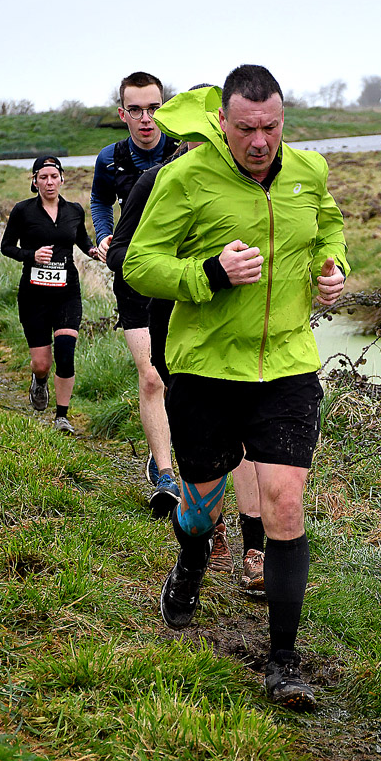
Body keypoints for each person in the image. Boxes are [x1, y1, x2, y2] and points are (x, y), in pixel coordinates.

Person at [124, 66, 349, 710]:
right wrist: (211, 273)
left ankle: (283, 662)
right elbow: (139, 264)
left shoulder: (309, 170)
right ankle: (192, 560)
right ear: (222, 122)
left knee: (285, 502)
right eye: (246, 128)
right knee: (202, 507)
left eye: (271, 127)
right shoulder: (185, 178)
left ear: (283, 120)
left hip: (287, 365)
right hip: (206, 370)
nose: (260, 142)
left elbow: (328, 229)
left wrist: (334, 268)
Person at [106, 98, 265, 584]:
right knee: (205, 438)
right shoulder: (157, 181)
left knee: (244, 432)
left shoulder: (253, 183)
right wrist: (190, 272)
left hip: (240, 330)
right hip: (176, 330)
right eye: (198, 134)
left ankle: (254, 549)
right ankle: (210, 530)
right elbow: (122, 255)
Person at [90, 71, 180, 515]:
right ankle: (165, 474)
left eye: (154, 108)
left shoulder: (184, 148)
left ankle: (185, 453)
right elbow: (99, 201)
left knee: (180, 376)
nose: (147, 118)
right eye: (137, 110)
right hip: (132, 274)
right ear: (122, 113)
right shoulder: (110, 159)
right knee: (151, 376)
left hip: (180, 276)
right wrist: (104, 235)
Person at [0, 155, 99, 433]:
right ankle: (39, 380)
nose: (49, 182)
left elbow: (81, 240)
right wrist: (31, 255)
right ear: (35, 181)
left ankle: (62, 416)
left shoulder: (74, 210)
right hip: (34, 296)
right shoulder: (23, 211)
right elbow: (6, 247)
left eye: (54, 176)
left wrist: (93, 251)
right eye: (43, 177)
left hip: (67, 293)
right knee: (42, 364)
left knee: (66, 352)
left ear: (62, 179)